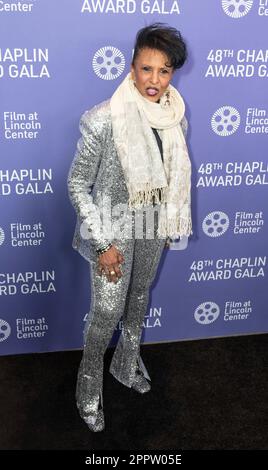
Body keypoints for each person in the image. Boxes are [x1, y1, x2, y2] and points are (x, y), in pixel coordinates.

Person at [67, 22, 193, 432]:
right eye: (146, 69)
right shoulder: (102, 118)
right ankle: (87, 390)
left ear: (171, 73)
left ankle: (125, 365)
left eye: (164, 70)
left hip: (152, 225)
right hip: (112, 229)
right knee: (106, 312)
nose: (154, 80)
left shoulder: (175, 116)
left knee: (139, 296)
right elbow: (77, 184)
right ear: (132, 66)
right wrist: (103, 243)